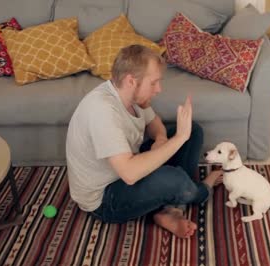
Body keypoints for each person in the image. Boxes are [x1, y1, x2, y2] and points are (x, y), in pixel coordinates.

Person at [66, 45, 222, 238]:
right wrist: (179, 138)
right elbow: (130, 174)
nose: (159, 89)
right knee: (175, 177)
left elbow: (154, 124)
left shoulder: (129, 95)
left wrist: (162, 139)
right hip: (105, 198)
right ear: (131, 81)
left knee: (194, 132)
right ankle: (200, 193)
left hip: (126, 166)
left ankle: (169, 210)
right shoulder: (103, 111)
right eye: (154, 83)